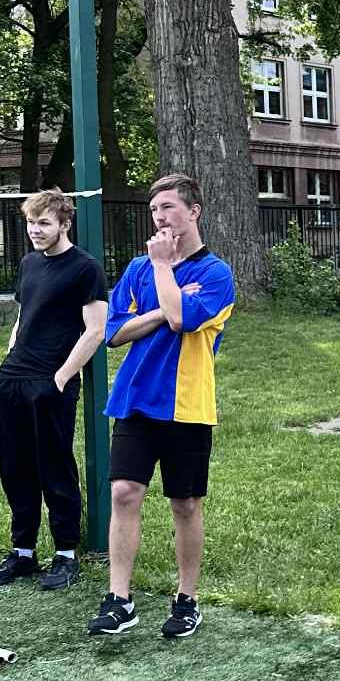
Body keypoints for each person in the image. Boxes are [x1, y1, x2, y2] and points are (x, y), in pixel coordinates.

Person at [87, 174, 236, 641]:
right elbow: (114, 332)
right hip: (134, 400)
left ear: (194, 212)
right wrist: (155, 300)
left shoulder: (215, 274)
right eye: (153, 209)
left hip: (187, 406)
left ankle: (186, 600)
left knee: (185, 504)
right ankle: (120, 600)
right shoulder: (139, 268)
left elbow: (180, 319)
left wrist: (163, 271)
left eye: (168, 207)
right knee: (123, 493)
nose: (159, 217)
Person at [0, 188, 109, 592]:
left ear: (64, 224)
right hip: (13, 379)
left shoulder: (86, 268)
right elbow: (24, 315)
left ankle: (66, 555)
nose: (35, 230)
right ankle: (22, 552)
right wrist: (10, 356)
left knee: (54, 467)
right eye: (30, 223)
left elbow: (96, 330)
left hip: (51, 381)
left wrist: (61, 376)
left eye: (44, 223)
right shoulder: (29, 263)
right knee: (15, 468)